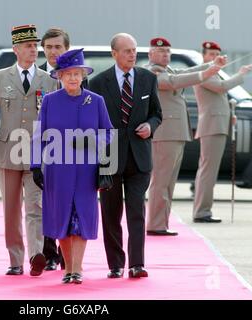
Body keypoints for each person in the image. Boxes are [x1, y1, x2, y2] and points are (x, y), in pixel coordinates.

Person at [0, 24, 56, 276]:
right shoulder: (1, 77)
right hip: (7, 152)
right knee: (11, 210)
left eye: (35, 46)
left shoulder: (48, 79)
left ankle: (36, 255)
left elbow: (54, 118)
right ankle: (15, 259)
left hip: (37, 155)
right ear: (16, 49)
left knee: (35, 208)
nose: (33, 50)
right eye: (28, 46)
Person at [31, 48, 113, 284]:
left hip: (87, 171)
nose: (73, 78)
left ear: (83, 76)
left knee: (81, 219)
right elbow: (39, 136)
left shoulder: (96, 101)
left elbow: (108, 133)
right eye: (68, 74)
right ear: (59, 76)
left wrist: (90, 140)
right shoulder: (49, 101)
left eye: (77, 74)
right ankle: (68, 269)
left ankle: (76, 268)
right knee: (62, 220)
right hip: (58, 171)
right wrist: (36, 165)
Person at [89, 33, 162, 279]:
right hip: (109, 157)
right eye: (127, 50)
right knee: (111, 214)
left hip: (140, 158)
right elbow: (93, 122)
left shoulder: (148, 79)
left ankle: (137, 264)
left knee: (136, 210)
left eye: (134, 50)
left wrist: (151, 126)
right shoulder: (98, 82)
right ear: (114, 53)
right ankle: (115, 265)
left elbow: (156, 114)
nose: (133, 54)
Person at [145, 37, 223, 236]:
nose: (166, 55)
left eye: (168, 52)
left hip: (174, 132)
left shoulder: (168, 70)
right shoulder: (153, 71)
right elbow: (172, 82)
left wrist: (211, 64)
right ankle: (155, 224)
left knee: (169, 182)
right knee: (161, 181)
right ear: (150, 54)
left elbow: (184, 72)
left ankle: (161, 223)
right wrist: (206, 73)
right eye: (161, 52)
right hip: (165, 133)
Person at [193, 41, 252, 223]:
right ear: (204, 56)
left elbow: (218, 97)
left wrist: (228, 116)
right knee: (208, 171)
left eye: (217, 54)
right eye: (210, 54)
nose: (214, 57)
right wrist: (240, 74)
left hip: (216, 124)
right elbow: (221, 87)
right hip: (211, 125)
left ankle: (203, 210)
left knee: (209, 170)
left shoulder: (214, 72)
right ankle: (202, 211)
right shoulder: (204, 71)